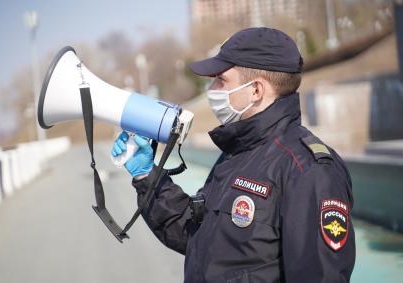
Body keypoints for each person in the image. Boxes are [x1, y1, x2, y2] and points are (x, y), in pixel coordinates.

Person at [111, 27, 355, 282]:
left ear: (256, 91)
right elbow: (197, 238)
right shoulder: (238, 152)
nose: (212, 89)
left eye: (221, 80)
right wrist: (148, 177)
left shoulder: (309, 171)